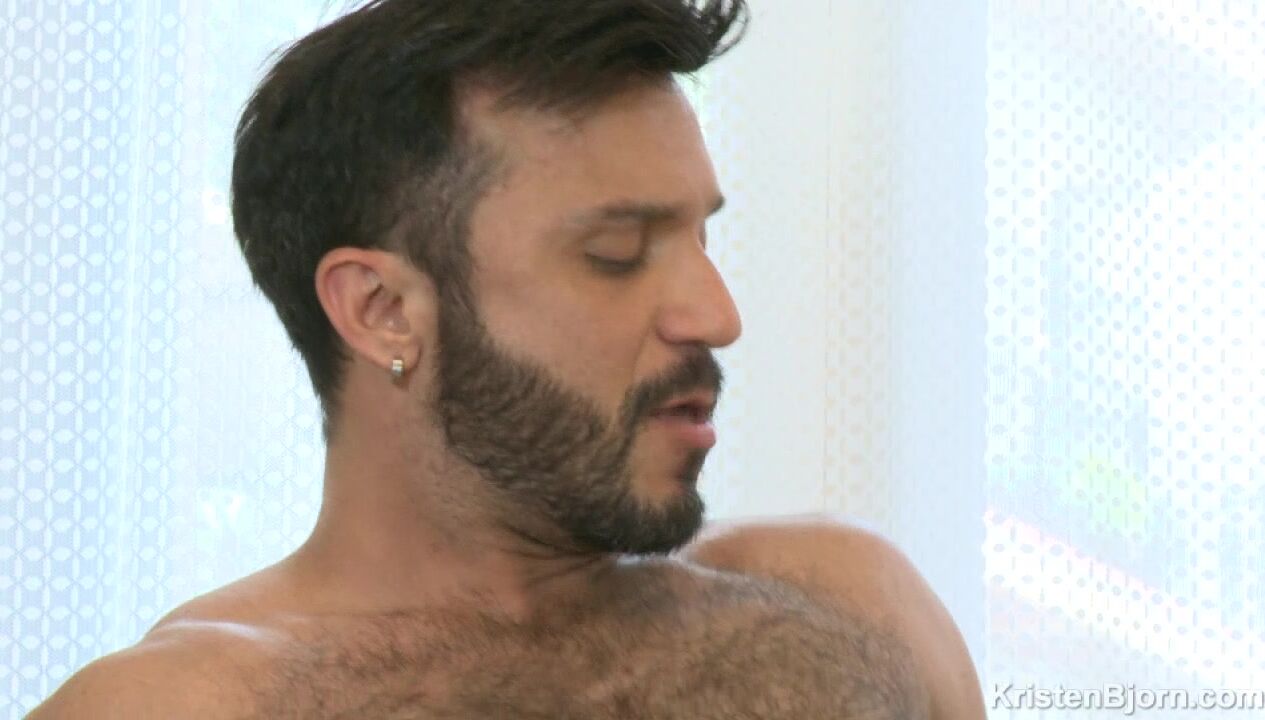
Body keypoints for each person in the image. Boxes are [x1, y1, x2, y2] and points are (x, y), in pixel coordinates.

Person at [30, 1, 985, 717]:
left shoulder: (854, 612)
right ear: (382, 311)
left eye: (702, 239)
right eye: (616, 253)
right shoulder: (187, 706)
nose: (716, 316)